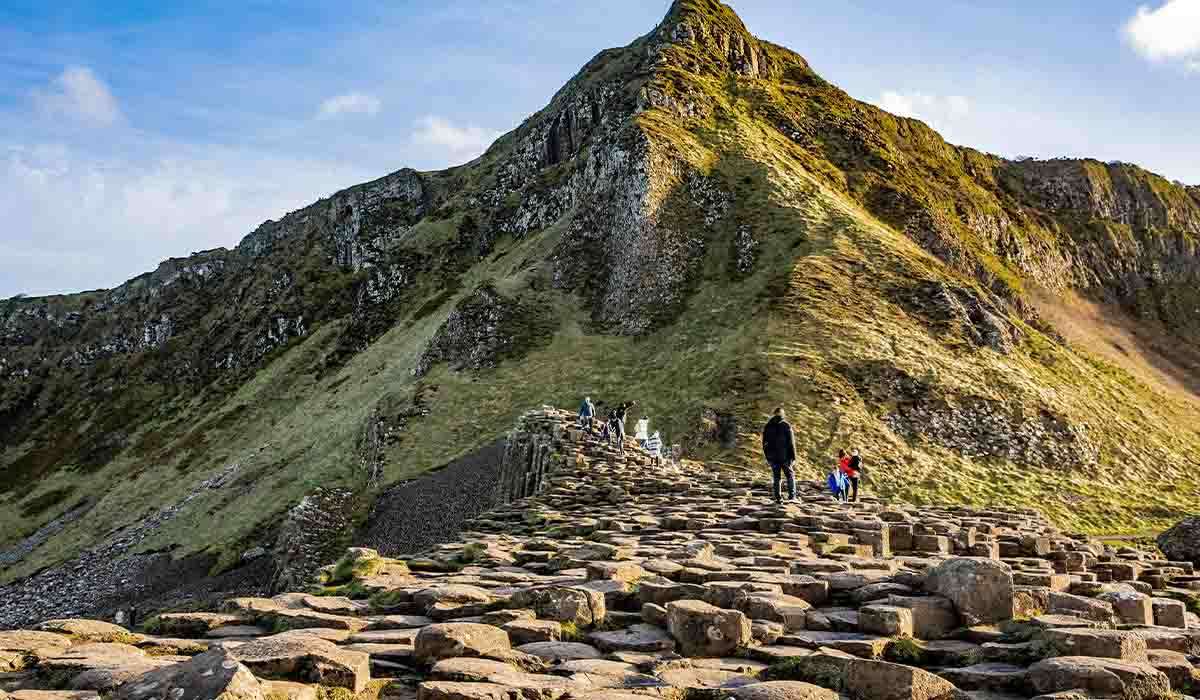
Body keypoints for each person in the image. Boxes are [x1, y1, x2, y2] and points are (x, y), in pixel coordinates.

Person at [761, 407, 797, 504]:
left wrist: (768, 457)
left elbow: (764, 444)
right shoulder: (786, 425)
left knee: (777, 477)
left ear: (774, 414)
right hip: (785, 457)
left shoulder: (768, 426)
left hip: (773, 458)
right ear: (782, 414)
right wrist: (793, 457)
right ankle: (792, 497)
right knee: (790, 475)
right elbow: (791, 443)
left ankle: (778, 498)